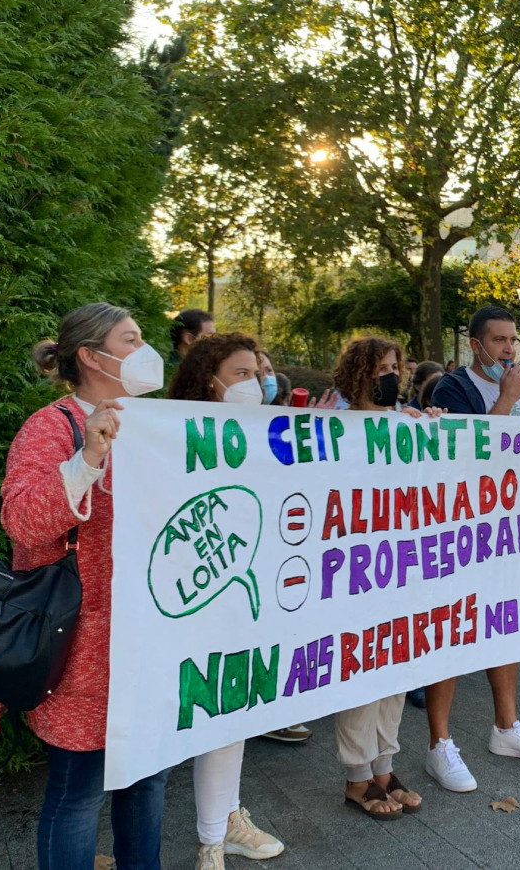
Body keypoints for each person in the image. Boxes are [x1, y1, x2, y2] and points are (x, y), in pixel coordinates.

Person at [3, 303, 170, 870]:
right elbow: (23, 520)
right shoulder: (51, 427)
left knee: (146, 783)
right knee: (79, 794)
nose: (145, 350)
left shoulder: (163, 427)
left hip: (152, 639)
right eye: (131, 339)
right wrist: (88, 457)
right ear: (90, 355)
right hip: (85, 651)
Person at [426, 306, 520, 791]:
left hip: (507, 534)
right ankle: (439, 744)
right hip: (462, 534)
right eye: (500, 341)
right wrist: (508, 400)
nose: (509, 350)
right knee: (452, 632)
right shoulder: (451, 389)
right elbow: (472, 455)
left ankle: (506, 727)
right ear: (475, 345)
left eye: (513, 340)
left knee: (503, 625)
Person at [168, 335, 286, 870]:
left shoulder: (267, 434)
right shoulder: (166, 435)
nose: (255, 383)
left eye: (259, 372)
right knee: (198, 708)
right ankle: (211, 833)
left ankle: (220, 831)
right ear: (207, 380)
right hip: (190, 596)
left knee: (231, 707)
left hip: (244, 600)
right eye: (241, 374)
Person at [328, 335, 432, 820]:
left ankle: (384, 767)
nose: (390, 375)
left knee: (396, 670)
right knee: (359, 674)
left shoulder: (404, 423)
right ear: (358, 374)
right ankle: (356, 777)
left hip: (401, 569)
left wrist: (427, 432)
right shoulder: (334, 428)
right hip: (354, 572)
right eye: (380, 368)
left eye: (395, 366)